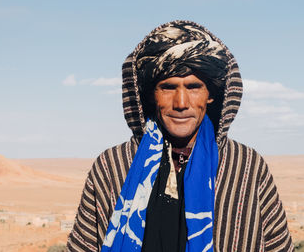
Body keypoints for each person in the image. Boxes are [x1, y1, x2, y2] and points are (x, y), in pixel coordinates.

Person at [67, 20, 294, 251]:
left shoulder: (246, 167)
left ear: (211, 95)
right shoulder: (113, 166)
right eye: (168, 87)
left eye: (193, 87)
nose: (181, 103)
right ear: (151, 96)